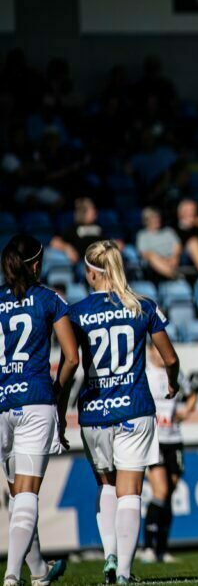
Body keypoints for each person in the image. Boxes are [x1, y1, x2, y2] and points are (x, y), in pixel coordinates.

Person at [71, 240, 181, 585]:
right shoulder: (143, 306)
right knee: (130, 492)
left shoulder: (76, 312)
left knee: (106, 485)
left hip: (94, 410)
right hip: (134, 407)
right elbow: (170, 358)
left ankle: (110, 556)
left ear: (92, 273)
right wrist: (173, 382)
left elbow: (70, 360)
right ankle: (123, 573)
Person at [1, 235, 79, 586]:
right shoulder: (49, 298)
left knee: (17, 495)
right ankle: (12, 575)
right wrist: (56, 390)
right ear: (36, 264)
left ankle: (39, 573)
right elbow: (71, 357)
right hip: (35, 398)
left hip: (2, 402)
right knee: (27, 493)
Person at [139, 342, 197, 564]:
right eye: (157, 349)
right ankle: (148, 547)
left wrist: (185, 412)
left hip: (174, 439)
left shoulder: (175, 373)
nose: (161, 354)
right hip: (154, 439)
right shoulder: (144, 374)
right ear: (150, 351)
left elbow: (192, 395)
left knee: (169, 492)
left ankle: (162, 549)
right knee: (160, 491)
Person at [50, 197, 106, 265]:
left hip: (100, 262)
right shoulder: (74, 228)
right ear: (83, 212)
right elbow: (54, 242)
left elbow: (106, 242)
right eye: (92, 209)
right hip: (82, 263)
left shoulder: (99, 227)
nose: (95, 211)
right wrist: (67, 248)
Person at [136, 208, 181, 282]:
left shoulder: (168, 231)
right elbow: (144, 253)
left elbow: (177, 245)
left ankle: (172, 274)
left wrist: (174, 257)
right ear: (147, 221)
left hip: (171, 259)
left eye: (157, 217)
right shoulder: (142, 235)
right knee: (151, 256)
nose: (157, 220)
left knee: (177, 255)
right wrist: (162, 260)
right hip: (154, 262)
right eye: (153, 218)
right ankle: (174, 275)